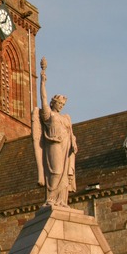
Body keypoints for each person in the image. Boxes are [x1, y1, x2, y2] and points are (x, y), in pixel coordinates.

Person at [32, 57, 77, 206]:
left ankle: (61, 200)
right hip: (54, 145)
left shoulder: (65, 117)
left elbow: (71, 133)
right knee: (56, 171)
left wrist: (73, 143)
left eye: (63, 104)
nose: (61, 106)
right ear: (53, 103)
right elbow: (43, 98)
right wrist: (42, 81)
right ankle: (50, 198)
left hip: (66, 147)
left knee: (64, 174)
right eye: (59, 103)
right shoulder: (48, 115)